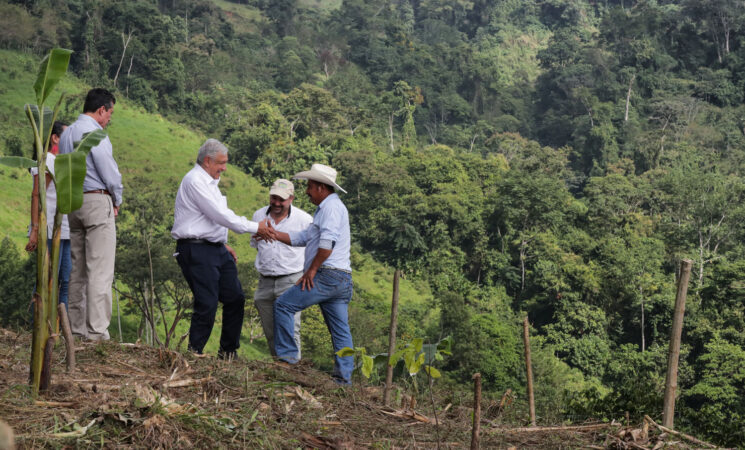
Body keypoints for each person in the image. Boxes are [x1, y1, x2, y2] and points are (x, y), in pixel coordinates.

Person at [172, 138, 274, 360]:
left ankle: (228, 352)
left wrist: (221, 243)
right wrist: (255, 226)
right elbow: (220, 215)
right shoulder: (195, 181)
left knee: (235, 297)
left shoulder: (210, 183)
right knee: (207, 301)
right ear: (207, 161)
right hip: (196, 250)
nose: (224, 168)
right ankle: (194, 354)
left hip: (214, 249)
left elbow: (209, 220)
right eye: (221, 163)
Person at [268, 164, 354, 384]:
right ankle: (343, 380)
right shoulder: (327, 209)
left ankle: (287, 361)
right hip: (342, 279)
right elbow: (303, 237)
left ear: (321, 188)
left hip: (327, 274)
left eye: (309, 186)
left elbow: (326, 245)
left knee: (284, 305)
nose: (307, 191)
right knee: (340, 330)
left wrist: (312, 271)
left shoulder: (330, 209)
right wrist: (273, 234)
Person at [59, 88, 122, 341]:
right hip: (97, 200)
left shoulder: (67, 134)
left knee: (77, 271)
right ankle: (97, 332)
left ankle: (75, 330)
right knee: (100, 269)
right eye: (110, 113)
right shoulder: (95, 133)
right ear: (101, 110)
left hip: (73, 202)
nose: (109, 119)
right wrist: (117, 199)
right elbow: (110, 174)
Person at [250, 179, 312, 358]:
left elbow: (312, 250)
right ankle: (279, 367)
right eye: (274, 198)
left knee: (290, 329)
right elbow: (255, 244)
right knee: (270, 331)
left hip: (291, 279)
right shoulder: (258, 216)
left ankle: (294, 371)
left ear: (291, 198)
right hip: (265, 280)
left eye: (281, 199)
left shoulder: (304, 220)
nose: (277, 203)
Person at [26, 121, 71, 308]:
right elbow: (36, 194)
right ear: (55, 138)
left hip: (67, 230)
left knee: (65, 280)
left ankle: (61, 329)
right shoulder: (48, 161)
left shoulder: (66, 161)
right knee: (48, 279)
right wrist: (35, 229)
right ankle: (41, 326)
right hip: (51, 230)